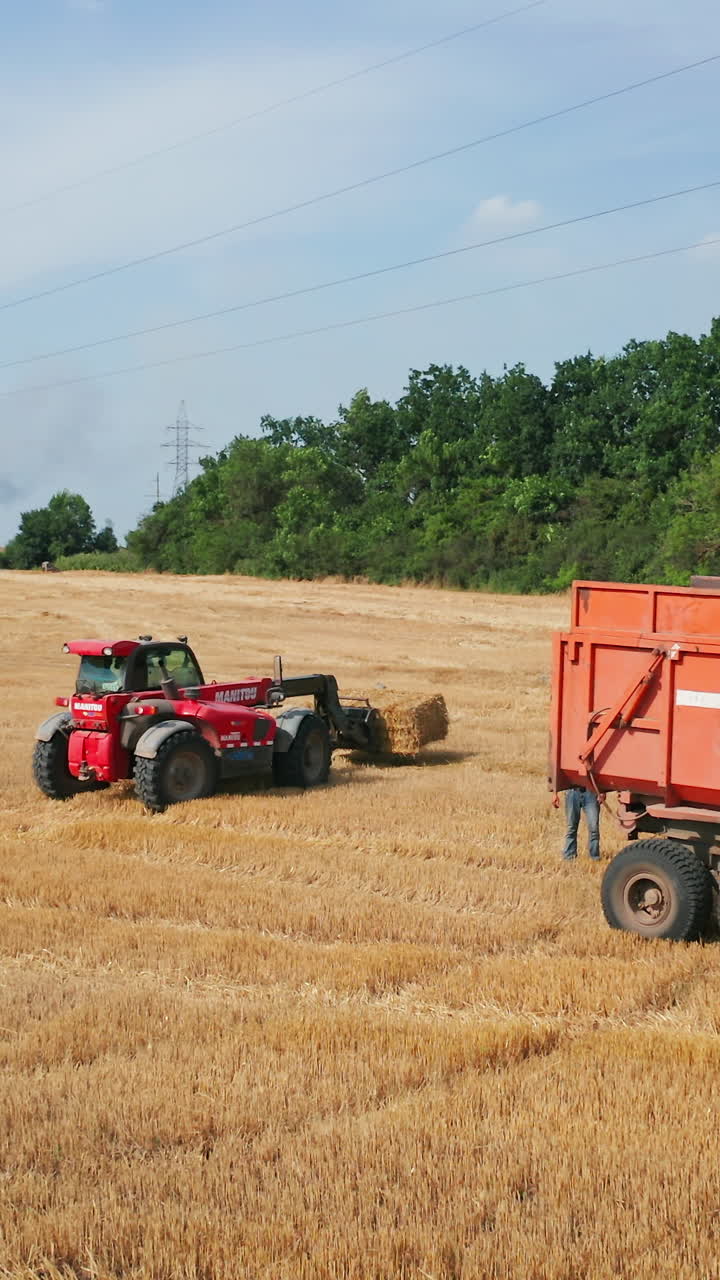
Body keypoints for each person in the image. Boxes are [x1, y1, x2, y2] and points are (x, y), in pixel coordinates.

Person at [553, 786, 601, 861]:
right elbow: (557, 774)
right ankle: (569, 856)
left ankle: (594, 857)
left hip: (591, 792)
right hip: (572, 791)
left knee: (594, 828)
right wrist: (555, 793)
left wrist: (602, 792)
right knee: (571, 827)